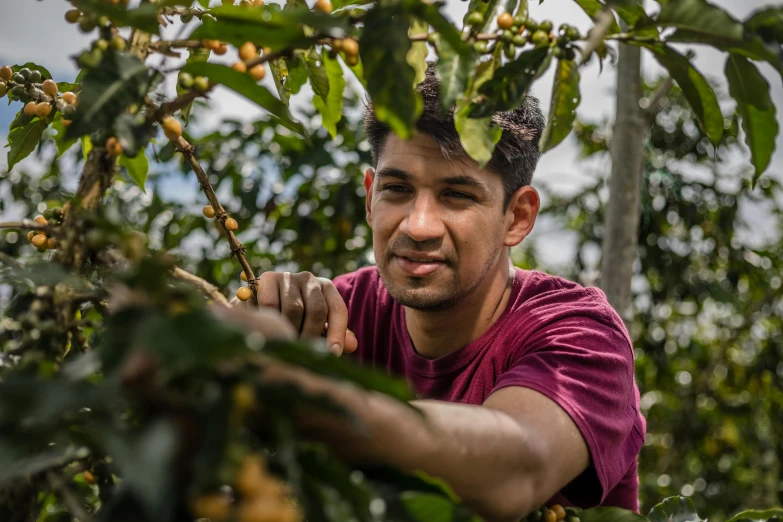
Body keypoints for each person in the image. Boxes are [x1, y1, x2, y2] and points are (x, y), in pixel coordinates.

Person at [230, 66, 645, 522]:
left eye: (457, 195)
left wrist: (303, 395)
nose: (418, 225)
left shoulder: (581, 336)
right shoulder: (337, 319)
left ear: (518, 217)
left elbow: (514, 469)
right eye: (397, 189)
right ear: (371, 198)